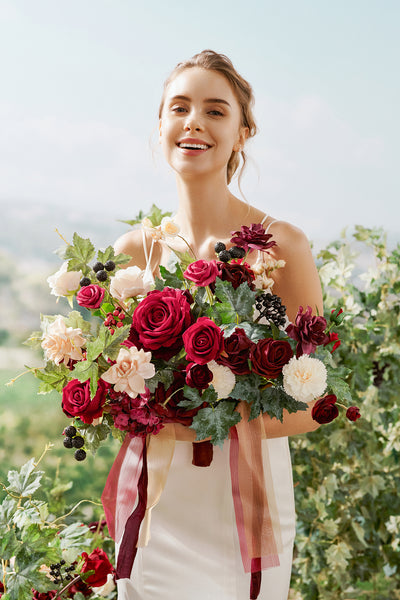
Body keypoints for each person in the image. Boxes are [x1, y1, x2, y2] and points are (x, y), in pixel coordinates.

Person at [112, 49, 323, 600]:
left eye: (215, 110)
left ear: (243, 132)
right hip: (157, 505)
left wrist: (199, 423)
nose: (193, 123)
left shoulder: (283, 245)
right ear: (160, 125)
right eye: (179, 107)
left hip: (246, 508)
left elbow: (316, 407)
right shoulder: (133, 253)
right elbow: (111, 389)